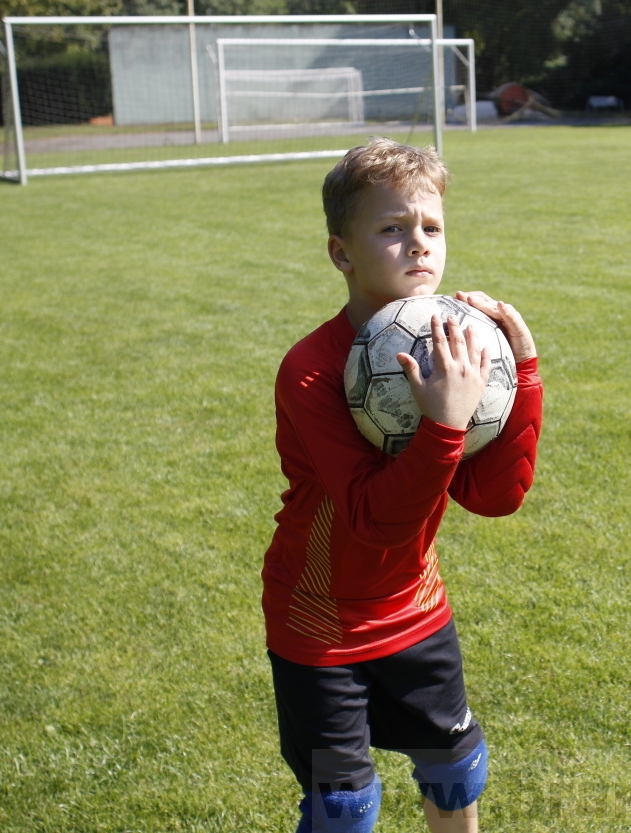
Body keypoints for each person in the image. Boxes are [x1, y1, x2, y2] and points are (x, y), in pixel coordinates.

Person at [261, 137, 543, 833]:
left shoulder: (462, 344)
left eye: (432, 227)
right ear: (341, 252)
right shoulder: (310, 370)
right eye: (392, 228)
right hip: (320, 622)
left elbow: (495, 495)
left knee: (454, 772)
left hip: (416, 608)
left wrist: (524, 370)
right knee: (344, 804)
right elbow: (371, 518)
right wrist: (443, 428)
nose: (418, 243)